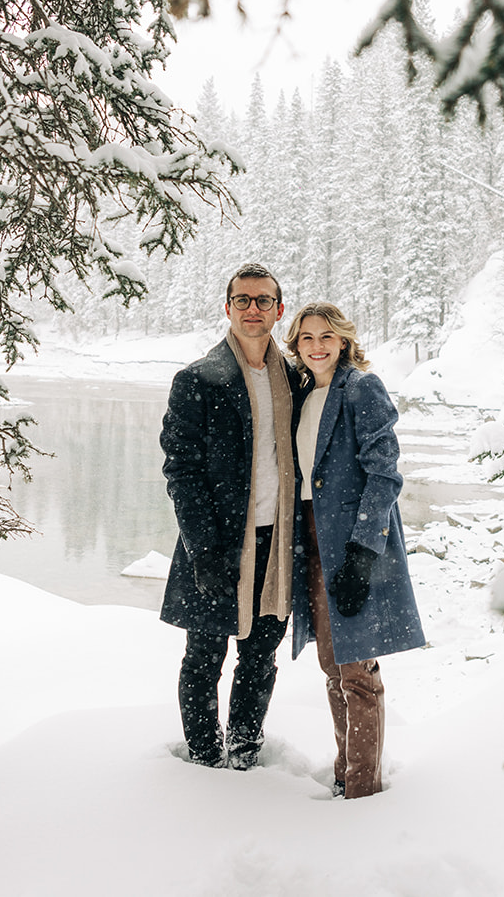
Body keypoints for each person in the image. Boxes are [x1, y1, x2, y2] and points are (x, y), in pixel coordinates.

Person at [159, 262, 302, 769]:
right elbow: (182, 471)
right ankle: (201, 758)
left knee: (260, 656)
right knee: (204, 657)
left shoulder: (295, 378)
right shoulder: (199, 379)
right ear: (228, 307)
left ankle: (244, 749)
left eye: (264, 300)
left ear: (278, 310)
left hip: (279, 542)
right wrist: (205, 550)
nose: (253, 309)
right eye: (243, 300)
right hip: (219, 543)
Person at [285, 302, 425, 798]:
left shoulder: (361, 388)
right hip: (312, 538)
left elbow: (384, 472)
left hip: (353, 542)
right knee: (332, 664)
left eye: (326, 336)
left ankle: (364, 787)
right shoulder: (303, 393)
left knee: (357, 670)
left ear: (343, 340)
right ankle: (345, 771)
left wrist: (363, 554)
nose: (317, 345)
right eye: (306, 338)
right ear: (297, 345)